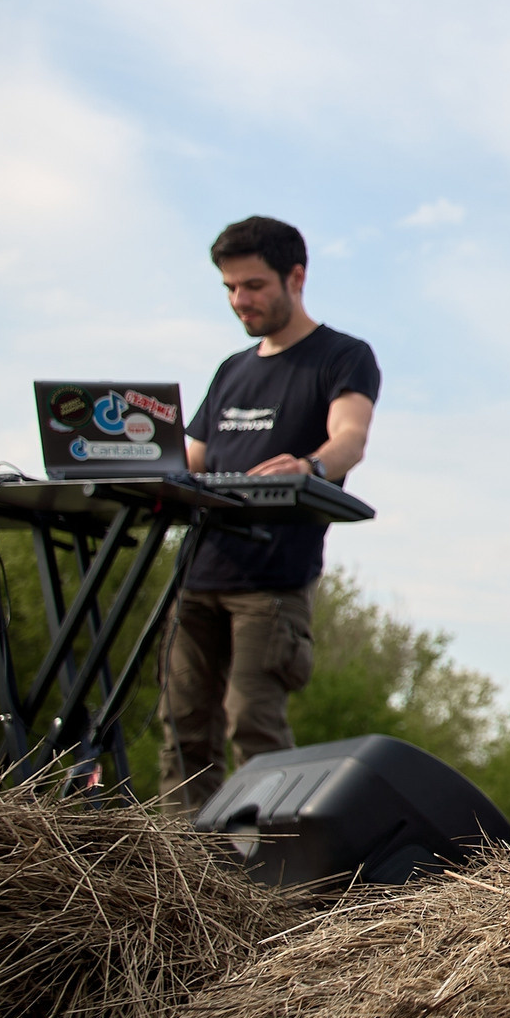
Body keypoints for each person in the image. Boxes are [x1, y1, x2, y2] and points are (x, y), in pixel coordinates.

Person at [164, 217, 380, 810]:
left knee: (251, 727)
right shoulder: (232, 370)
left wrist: (309, 466)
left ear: (296, 277)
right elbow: (192, 459)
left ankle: (263, 889)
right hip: (197, 576)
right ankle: (178, 879)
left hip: (273, 580)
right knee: (182, 731)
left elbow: (349, 440)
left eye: (254, 286)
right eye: (231, 288)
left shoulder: (342, 356)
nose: (241, 300)